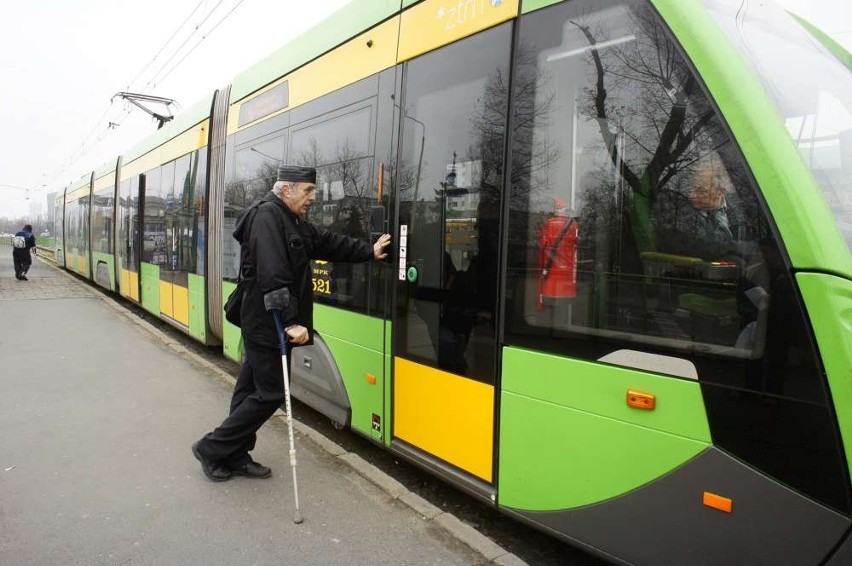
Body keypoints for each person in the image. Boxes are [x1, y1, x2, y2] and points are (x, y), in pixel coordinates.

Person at [192, 165, 391, 482]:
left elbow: (325, 242)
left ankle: (233, 453)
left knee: (249, 390)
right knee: (270, 393)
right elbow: (273, 274)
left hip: (265, 321)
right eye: (308, 191)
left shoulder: (290, 219)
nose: (313, 197)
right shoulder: (267, 217)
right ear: (287, 189)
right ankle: (211, 447)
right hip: (266, 322)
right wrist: (290, 322)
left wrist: (368, 250)